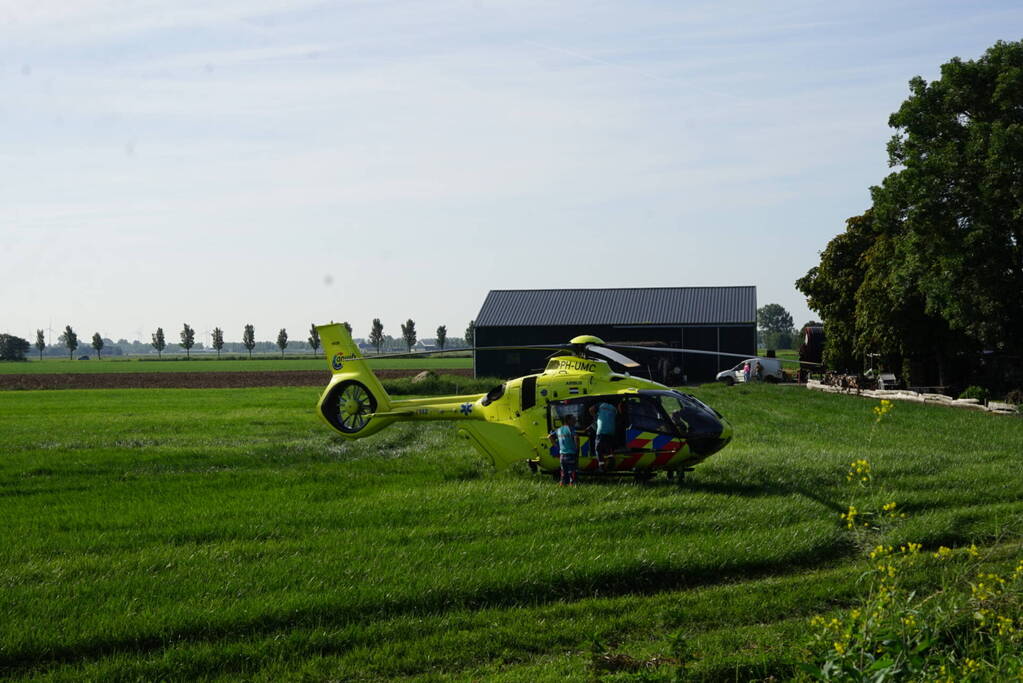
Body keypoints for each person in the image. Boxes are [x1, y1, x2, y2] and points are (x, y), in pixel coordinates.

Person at [550, 413, 579, 486]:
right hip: (571, 454)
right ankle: (572, 486)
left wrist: (556, 445)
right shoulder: (571, 429)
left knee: (563, 472)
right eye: (573, 419)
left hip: (562, 455)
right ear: (568, 420)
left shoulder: (558, 429)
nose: (575, 421)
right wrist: (577, 448)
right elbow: (576, 437)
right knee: (572, 473)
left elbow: (550, 436)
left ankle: (562, 485)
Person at [589, 400, 616, 472]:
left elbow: (591, 409)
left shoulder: (600, 404)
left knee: (598, 448)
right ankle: (611, 461)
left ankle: (601, 467)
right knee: (608, 446)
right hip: (611, 430)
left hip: (601, 430)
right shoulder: (613, 408)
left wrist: (595, 417)